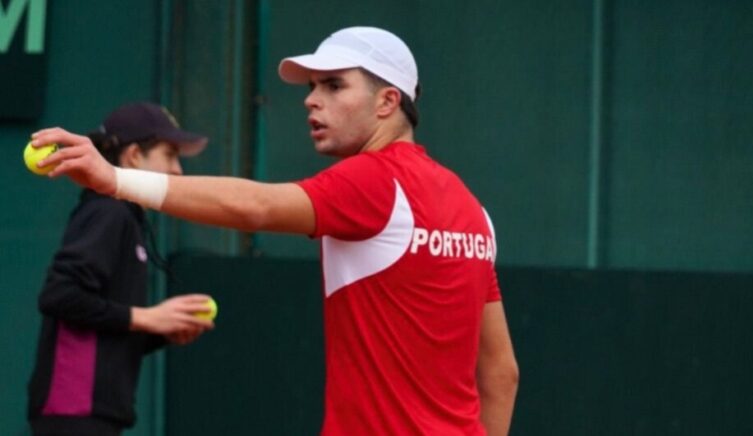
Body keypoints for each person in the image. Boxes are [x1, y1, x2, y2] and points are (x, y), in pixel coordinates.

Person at [31, 27, 519, 435]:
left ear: (388, 101)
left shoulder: (374, 178)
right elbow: (502, 372)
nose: (311, 100)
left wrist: (114, 179)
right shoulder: (474, 211)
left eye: (332, 85)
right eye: (311, 86)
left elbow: (256, 207)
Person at [27, 102, 215, 436]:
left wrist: (161, 329)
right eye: (169, 154)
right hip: (74, 412)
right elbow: (59, 295)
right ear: (132, 158)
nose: (178, 170)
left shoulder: (125, 218)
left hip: (94, 414)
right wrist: (147, 318)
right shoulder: (108, 213)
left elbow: (102, 328)